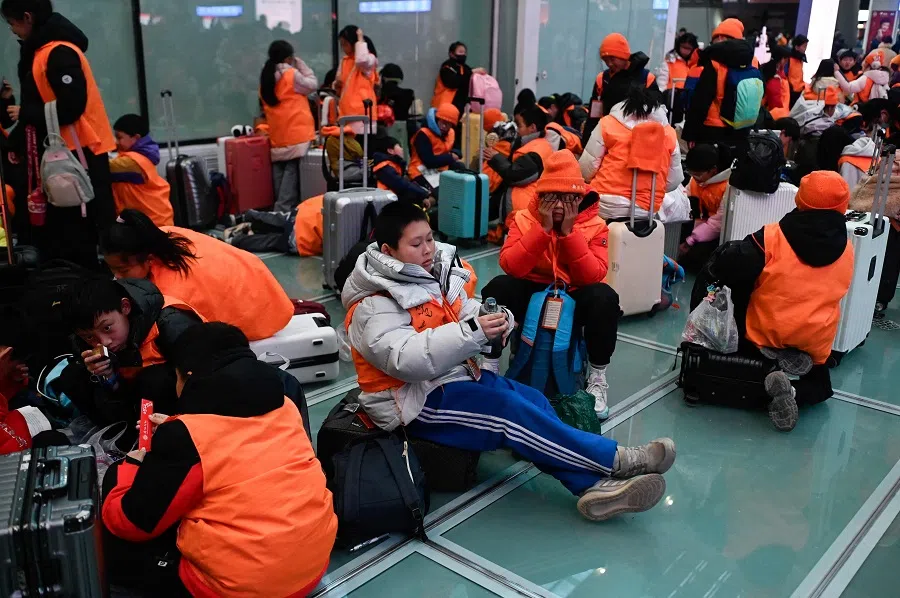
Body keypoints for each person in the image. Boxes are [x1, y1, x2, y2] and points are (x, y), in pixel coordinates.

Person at [342, 201, 676, 521]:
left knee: (531, 399)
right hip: (413, 401)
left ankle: (593, 487)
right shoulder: (374, 304)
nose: (428, 249)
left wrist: (496, 318)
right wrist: (474, 331)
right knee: (509, 414)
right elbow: (406, 359)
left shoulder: (431, 273)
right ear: (388, 252)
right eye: (416, 244)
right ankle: (618, 460)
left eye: (429, 238)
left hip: (452, 378)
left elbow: (464, 310)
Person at [101, 322, 337, 597]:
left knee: (117, 521)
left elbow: (131, 523)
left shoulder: (186, 438)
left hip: (243, 587)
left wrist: (132, 463)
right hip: (311, 565)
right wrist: (177, 432)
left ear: (187, 377)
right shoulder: (284, 404)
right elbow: (235, 447)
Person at [696, 171, 853, 431]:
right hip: (814, 343)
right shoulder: (847, 248)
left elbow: (729, 267)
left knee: (745, 285)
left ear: (800, 200)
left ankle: (771, 367)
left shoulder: (770, 238)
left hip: (765, 335)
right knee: (822, 387)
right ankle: (793, 390)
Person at [482, 150, 620, 419]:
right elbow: (511, 265)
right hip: (533, 286)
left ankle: (598, 375)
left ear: (579, 197)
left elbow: (593, 275)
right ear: (541, 196)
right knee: (498, 289)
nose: (559, 205)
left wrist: (569, 234)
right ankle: (490, 362)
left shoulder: (596, 225)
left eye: (568, 199)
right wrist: (542, 231)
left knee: (605, 298)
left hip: (575, 291)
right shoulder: (523, 219)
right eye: (552, 197)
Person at [0, 0, 116, 269]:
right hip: (61, 153)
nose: (12, 30)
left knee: (78, 234)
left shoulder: (58, 52)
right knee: (64, 236)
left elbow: (72, 106)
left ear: (27, 17)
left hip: (79, 155)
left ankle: (87, 291)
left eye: (12, 23)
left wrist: (26, 112)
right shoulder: (41, 52)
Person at [100, 210, 293, 341]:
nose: (117, 277)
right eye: (112, 269)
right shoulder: (164, 235)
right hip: (258, 279)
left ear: (149, 259)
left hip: (261, 310)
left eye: (123, 271)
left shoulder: (171, 292)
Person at [56, 277, 203, 426]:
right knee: (73, 375)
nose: (104, 342)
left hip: (180, 404)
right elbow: (112, 400)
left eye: (107, 328)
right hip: (132, 401)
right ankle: (121, 437)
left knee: (153, 380)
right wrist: (108, 379)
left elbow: (204, 380)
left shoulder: (171, 323)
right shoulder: (85, 345)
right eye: (89, 336)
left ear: (125, 307)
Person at [579, 83, 682, 221]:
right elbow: (673, 181)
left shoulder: (608, 123)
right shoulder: (668, 133)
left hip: (604, 202)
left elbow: (586, 168)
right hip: (646, 208)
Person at [259, 40, 318, 212]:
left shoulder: (266, 78)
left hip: (278, 134)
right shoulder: (291, 74)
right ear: (288, 58)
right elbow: (312, 84)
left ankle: (279, 209)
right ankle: (282, 211)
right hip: (296, 133)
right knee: (291, 177)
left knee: (279, 174)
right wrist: (301, 64)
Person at [682, 18, 759, 148]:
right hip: (741, 127)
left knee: (709, 166)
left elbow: (701, 100)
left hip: (712, 128)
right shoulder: (753, 61)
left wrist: (691, 133)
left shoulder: (715, 62)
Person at [483, 105, 560, 222]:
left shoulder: (535, 150)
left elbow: (515, 176)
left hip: (521, 211)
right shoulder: (537, 145)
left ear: (532, 128)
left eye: (519, 125)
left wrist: (495, 158)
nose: (517, 130)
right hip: (526, 207)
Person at [582, 33, 657, 146]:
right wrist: (586, 142)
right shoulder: (602, 79)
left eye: (612, 58)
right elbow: (594, 115)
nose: (609, 64)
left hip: (638, 140)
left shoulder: (647, 79)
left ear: (624, 56)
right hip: (608, 138)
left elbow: (656, 116)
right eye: (605, 60)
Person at [109, 114, 173, 228]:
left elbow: (104, 168)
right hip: (157, 219)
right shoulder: (143, 156)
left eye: (119, 137)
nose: (116, 142)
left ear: (136, 138)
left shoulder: (133, 162)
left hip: (151, 224)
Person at [678, 144, 732, 270]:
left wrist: (690, 240)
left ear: (713, 170)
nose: (694, 178)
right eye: (691, 174)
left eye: (697, 174)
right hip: (700, 224)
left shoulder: (728, 187)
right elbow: (687, 203)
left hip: (716, 232)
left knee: (696, 258)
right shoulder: (695, 181)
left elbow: (717, 224)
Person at [407, 103, 466, 193]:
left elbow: (458, 150)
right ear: (437, 119)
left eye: (448, 124)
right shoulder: (423, 134)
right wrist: (451, 157)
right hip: (420, 170)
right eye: (442, 122)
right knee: (441, 191)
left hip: (441, 168)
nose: (444, 126)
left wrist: (455, 153)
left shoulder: (451, 133)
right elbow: (429, 161)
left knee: (461, 170)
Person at [336, 25, 378, 135]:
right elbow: (340, 82)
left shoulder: (369, 59)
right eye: (342, 45)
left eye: (345, 44)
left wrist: (360, 40)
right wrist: (336, 85)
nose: (343, 48)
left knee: (362, 149)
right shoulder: (344, 61)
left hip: (362, 113)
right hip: (346, 112)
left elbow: (361, 60)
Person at [373, 136, 433, 207]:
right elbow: (401, 184)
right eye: (399, 146)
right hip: (385, 204)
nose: (402, 149)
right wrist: (423, 195)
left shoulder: (393, 165)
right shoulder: (384, 167)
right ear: (390, 151)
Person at [432, 41, 485, 115]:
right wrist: (471, 72)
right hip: (446, 106)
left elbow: (468, 76)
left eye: (464, 52)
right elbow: (453, 83)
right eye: (460, 52)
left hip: (462, 107)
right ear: (452, 54)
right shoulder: (446, 67)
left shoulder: (465, 67)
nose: (463, 54)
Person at [657, 32, 699, 123]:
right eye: (683, 47)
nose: (685, 51)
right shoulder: (669, 62)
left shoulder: (697, 65)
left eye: (689, 48)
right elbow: (661, 84)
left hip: (689, 105)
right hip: (671, 105)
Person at [762, 45, 792, 120]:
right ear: (782, 59)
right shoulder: (775, 78)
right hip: (777, 115)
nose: (787, 62)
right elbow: (775, 102)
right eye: (786, 59)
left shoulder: (772, 70)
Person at [787, 35, 809, 105]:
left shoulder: (800, 59)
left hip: (799, 90)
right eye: (804, 46)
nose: (805, 49)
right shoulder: (789, 59)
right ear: (796, 47)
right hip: (791, 91)